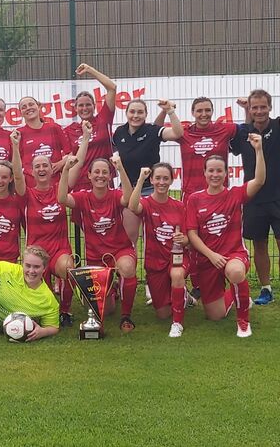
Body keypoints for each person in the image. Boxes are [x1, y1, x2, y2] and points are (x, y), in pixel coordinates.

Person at [230, 82, 280, 308]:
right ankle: (266, 289)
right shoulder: (243, 132)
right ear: (250, 109)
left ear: (270, 107)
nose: (259, 111)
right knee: (259, 244)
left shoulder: (278, 126)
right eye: (255, 107)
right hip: (253, 199)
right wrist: (245, 113)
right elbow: (236, 144)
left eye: (263, 107)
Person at [186, 134, 265, 338]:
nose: (215, 174)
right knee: (215, 315)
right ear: (204, 173)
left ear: (226, 173)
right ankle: (239, 297)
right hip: (208, 259)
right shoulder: (194, 199)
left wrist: (258, 150)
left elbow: (259, 181)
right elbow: (192, 234)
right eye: (211, 171)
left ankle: (243, 323)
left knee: (236, 272)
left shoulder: (235, 194)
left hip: (233, 254)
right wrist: (211, 255)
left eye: (219, 171)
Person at [12, 121, 91, 327]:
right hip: (36, 252)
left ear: (51, 168)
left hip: (58, 249)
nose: (41, 168)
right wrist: (15, 146)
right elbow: (17, 174)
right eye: (37, 166)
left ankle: (65, 311)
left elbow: (78, 164)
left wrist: (85, 138)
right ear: (32, 171)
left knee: (68, 268)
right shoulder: (26, 194)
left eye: (45, 165)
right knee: (40, 294)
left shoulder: (60, 188)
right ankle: (44, 308)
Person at [58, 154, 137, 332]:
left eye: (105, 172)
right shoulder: (83, 197)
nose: (100, 175)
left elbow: (128, 198)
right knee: (105, 310)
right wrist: (66, 169)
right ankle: (113, 290)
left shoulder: (115, 195)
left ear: (110, 176)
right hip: (96, 257)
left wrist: (120, 167)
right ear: (89, 175)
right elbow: (62, 198)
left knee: (127, 268)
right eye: (96, 172)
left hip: (120, 250)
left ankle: (126, 316)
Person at [172, 96, 239, 301]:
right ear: (192, 112)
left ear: (212, 111)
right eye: (199, 110)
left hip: (219, 196)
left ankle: (229, 279)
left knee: (221, 236)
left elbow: (248, 130)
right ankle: (197, 284)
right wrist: (167, 111)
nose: (203, 114)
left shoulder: (225, 130)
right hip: (191, 196)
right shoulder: (184, 132)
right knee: (192, 240)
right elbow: (160, 131)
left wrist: (246, 110)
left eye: (207, 110)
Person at [128, 164, 194, 338]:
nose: (161, 182)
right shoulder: (147, 203)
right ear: (152, 180)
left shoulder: (180, 206)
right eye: (157, 178)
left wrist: (182, 239)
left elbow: (188, 239)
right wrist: (141, 179)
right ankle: (183, 296)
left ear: (172, 180)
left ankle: (177, 323)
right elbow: (132, 206)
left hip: (177, 258)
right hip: (155, 262)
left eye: (166, 178)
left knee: (177, 275)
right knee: (163, 314)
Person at [112, 98, 183, 245]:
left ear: (146, 114)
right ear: (126, 113)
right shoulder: (119, 133)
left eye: (140, 112)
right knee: (128, 239)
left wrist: (169, 111)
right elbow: (111, 151)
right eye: (132, 112)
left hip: (151, 190)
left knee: (157, 237)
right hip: (128, 191)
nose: (135, 116)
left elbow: (177, 133)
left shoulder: (152, 130)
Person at [63, 64, 117, 192]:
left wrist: (89, 70)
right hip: (80, 182)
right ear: (75, 109)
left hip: (103, 179)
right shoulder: (69, 130)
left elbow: (112, 88)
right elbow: (68, 157)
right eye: (81, 106)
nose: (85, 108)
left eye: (88, 105)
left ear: (94, 106)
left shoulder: (103, 119)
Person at [17, 96, 72, 186]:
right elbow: (15, 161)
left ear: (38, 106)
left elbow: (71, 154)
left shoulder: (54, 128)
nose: (28, 108)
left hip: (55, 184)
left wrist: (61, 163)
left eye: (31, 104)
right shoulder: (18, 133)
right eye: (24, 107)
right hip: (31, 186)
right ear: (20, 113)